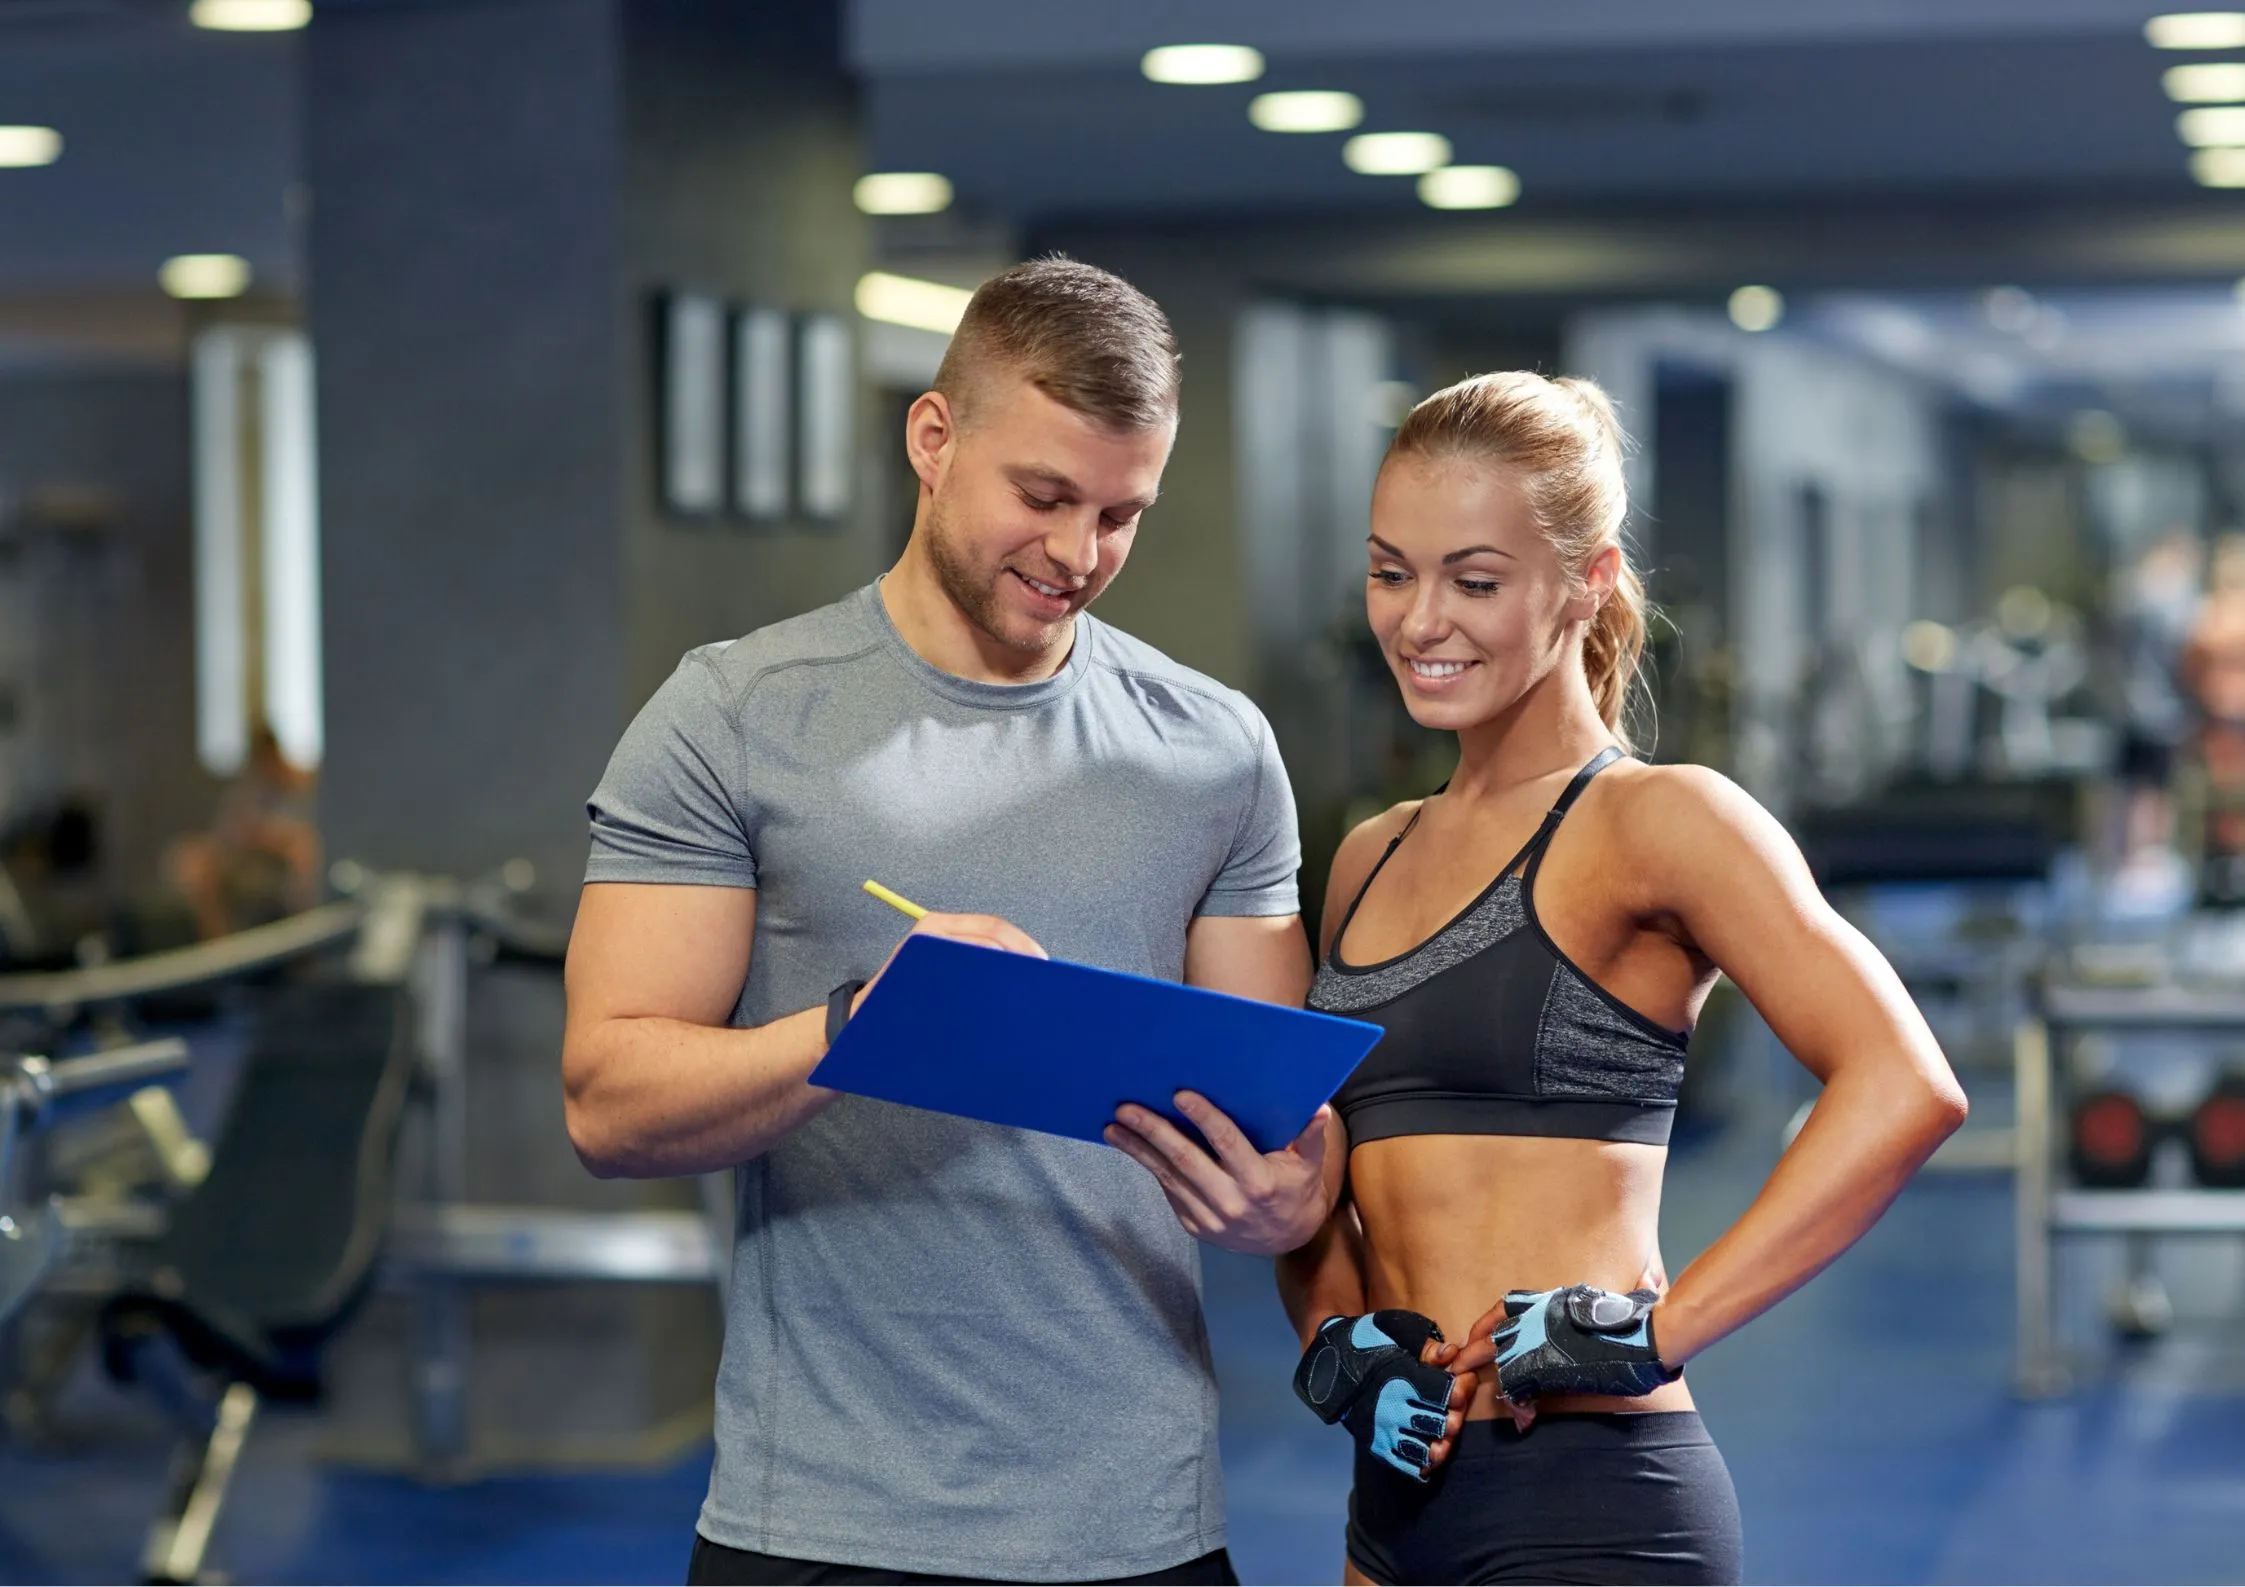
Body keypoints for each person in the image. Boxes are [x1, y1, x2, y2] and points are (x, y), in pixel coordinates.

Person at [563, 257, 1340, 1587]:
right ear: (933, 438)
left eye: (1120, 512)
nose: (1077, 553)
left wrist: (1291, 1194)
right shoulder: (733, 717)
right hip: (818, 1516)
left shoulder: (1213, 748)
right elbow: (607, 1101)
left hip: (1137, 1518)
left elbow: (1277, 1115)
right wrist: (867, 1026)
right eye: (1041, 495)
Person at [1276, 372, 1967, 1585]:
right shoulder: (1369, 857)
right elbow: (1318, 1172)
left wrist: (1660, 1330)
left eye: (1473, 580)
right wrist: (1334, 1335)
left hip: (1591, 1502)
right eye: (1392, 573)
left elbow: (1904, 1086)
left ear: (1587, 581)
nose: (1420, 620)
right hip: (1389, 1515)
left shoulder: (1661, 820)